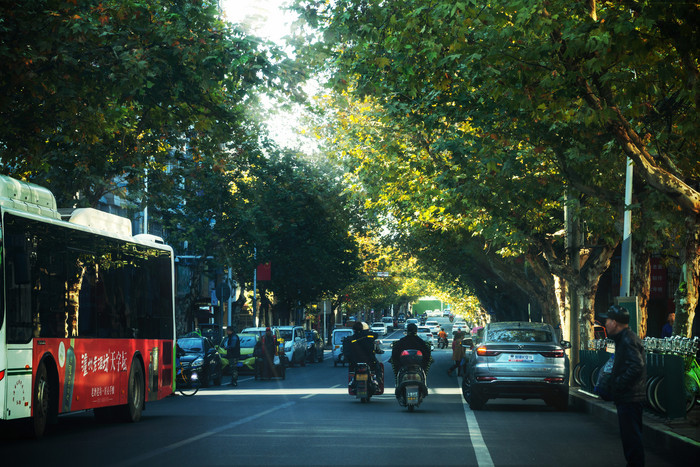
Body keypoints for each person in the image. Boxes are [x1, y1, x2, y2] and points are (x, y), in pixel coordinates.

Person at [600, 305, 646, 467]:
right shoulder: (624, 339)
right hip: (628, 396)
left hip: (630, 397)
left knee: (631, 438)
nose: (605, 323)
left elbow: (636, 366)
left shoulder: (628, 340)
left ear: (615, 322)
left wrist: (618, 384)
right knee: (629, 437)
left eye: (607, 320)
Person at [344, 321, 380, 388]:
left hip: (354, 361)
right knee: (377, 367)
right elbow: (375, 335)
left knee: (352, 370)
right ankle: (376, 380)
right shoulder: (369, 336)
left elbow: (346, 352)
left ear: (354, 329)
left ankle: (352, 380)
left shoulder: (350, 339)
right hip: (369, 360)